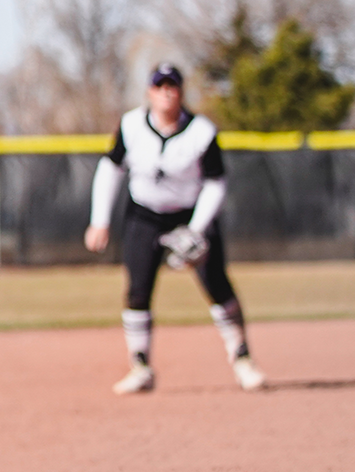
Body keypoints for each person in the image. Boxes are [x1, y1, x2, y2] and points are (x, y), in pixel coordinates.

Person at [84, 64, 266, 394]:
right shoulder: (131, 125)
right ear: (150, 92)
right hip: (145, 214)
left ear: (181, 91)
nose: (166, 91)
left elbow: (216, 183)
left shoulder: (202, 132)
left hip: (191, 214)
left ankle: (242, 360)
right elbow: (110, 169)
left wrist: (196, 230)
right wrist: (100, 219)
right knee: (138, 289)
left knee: (217, 284)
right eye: (159, 85)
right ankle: (140, 366)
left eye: (173, 86)